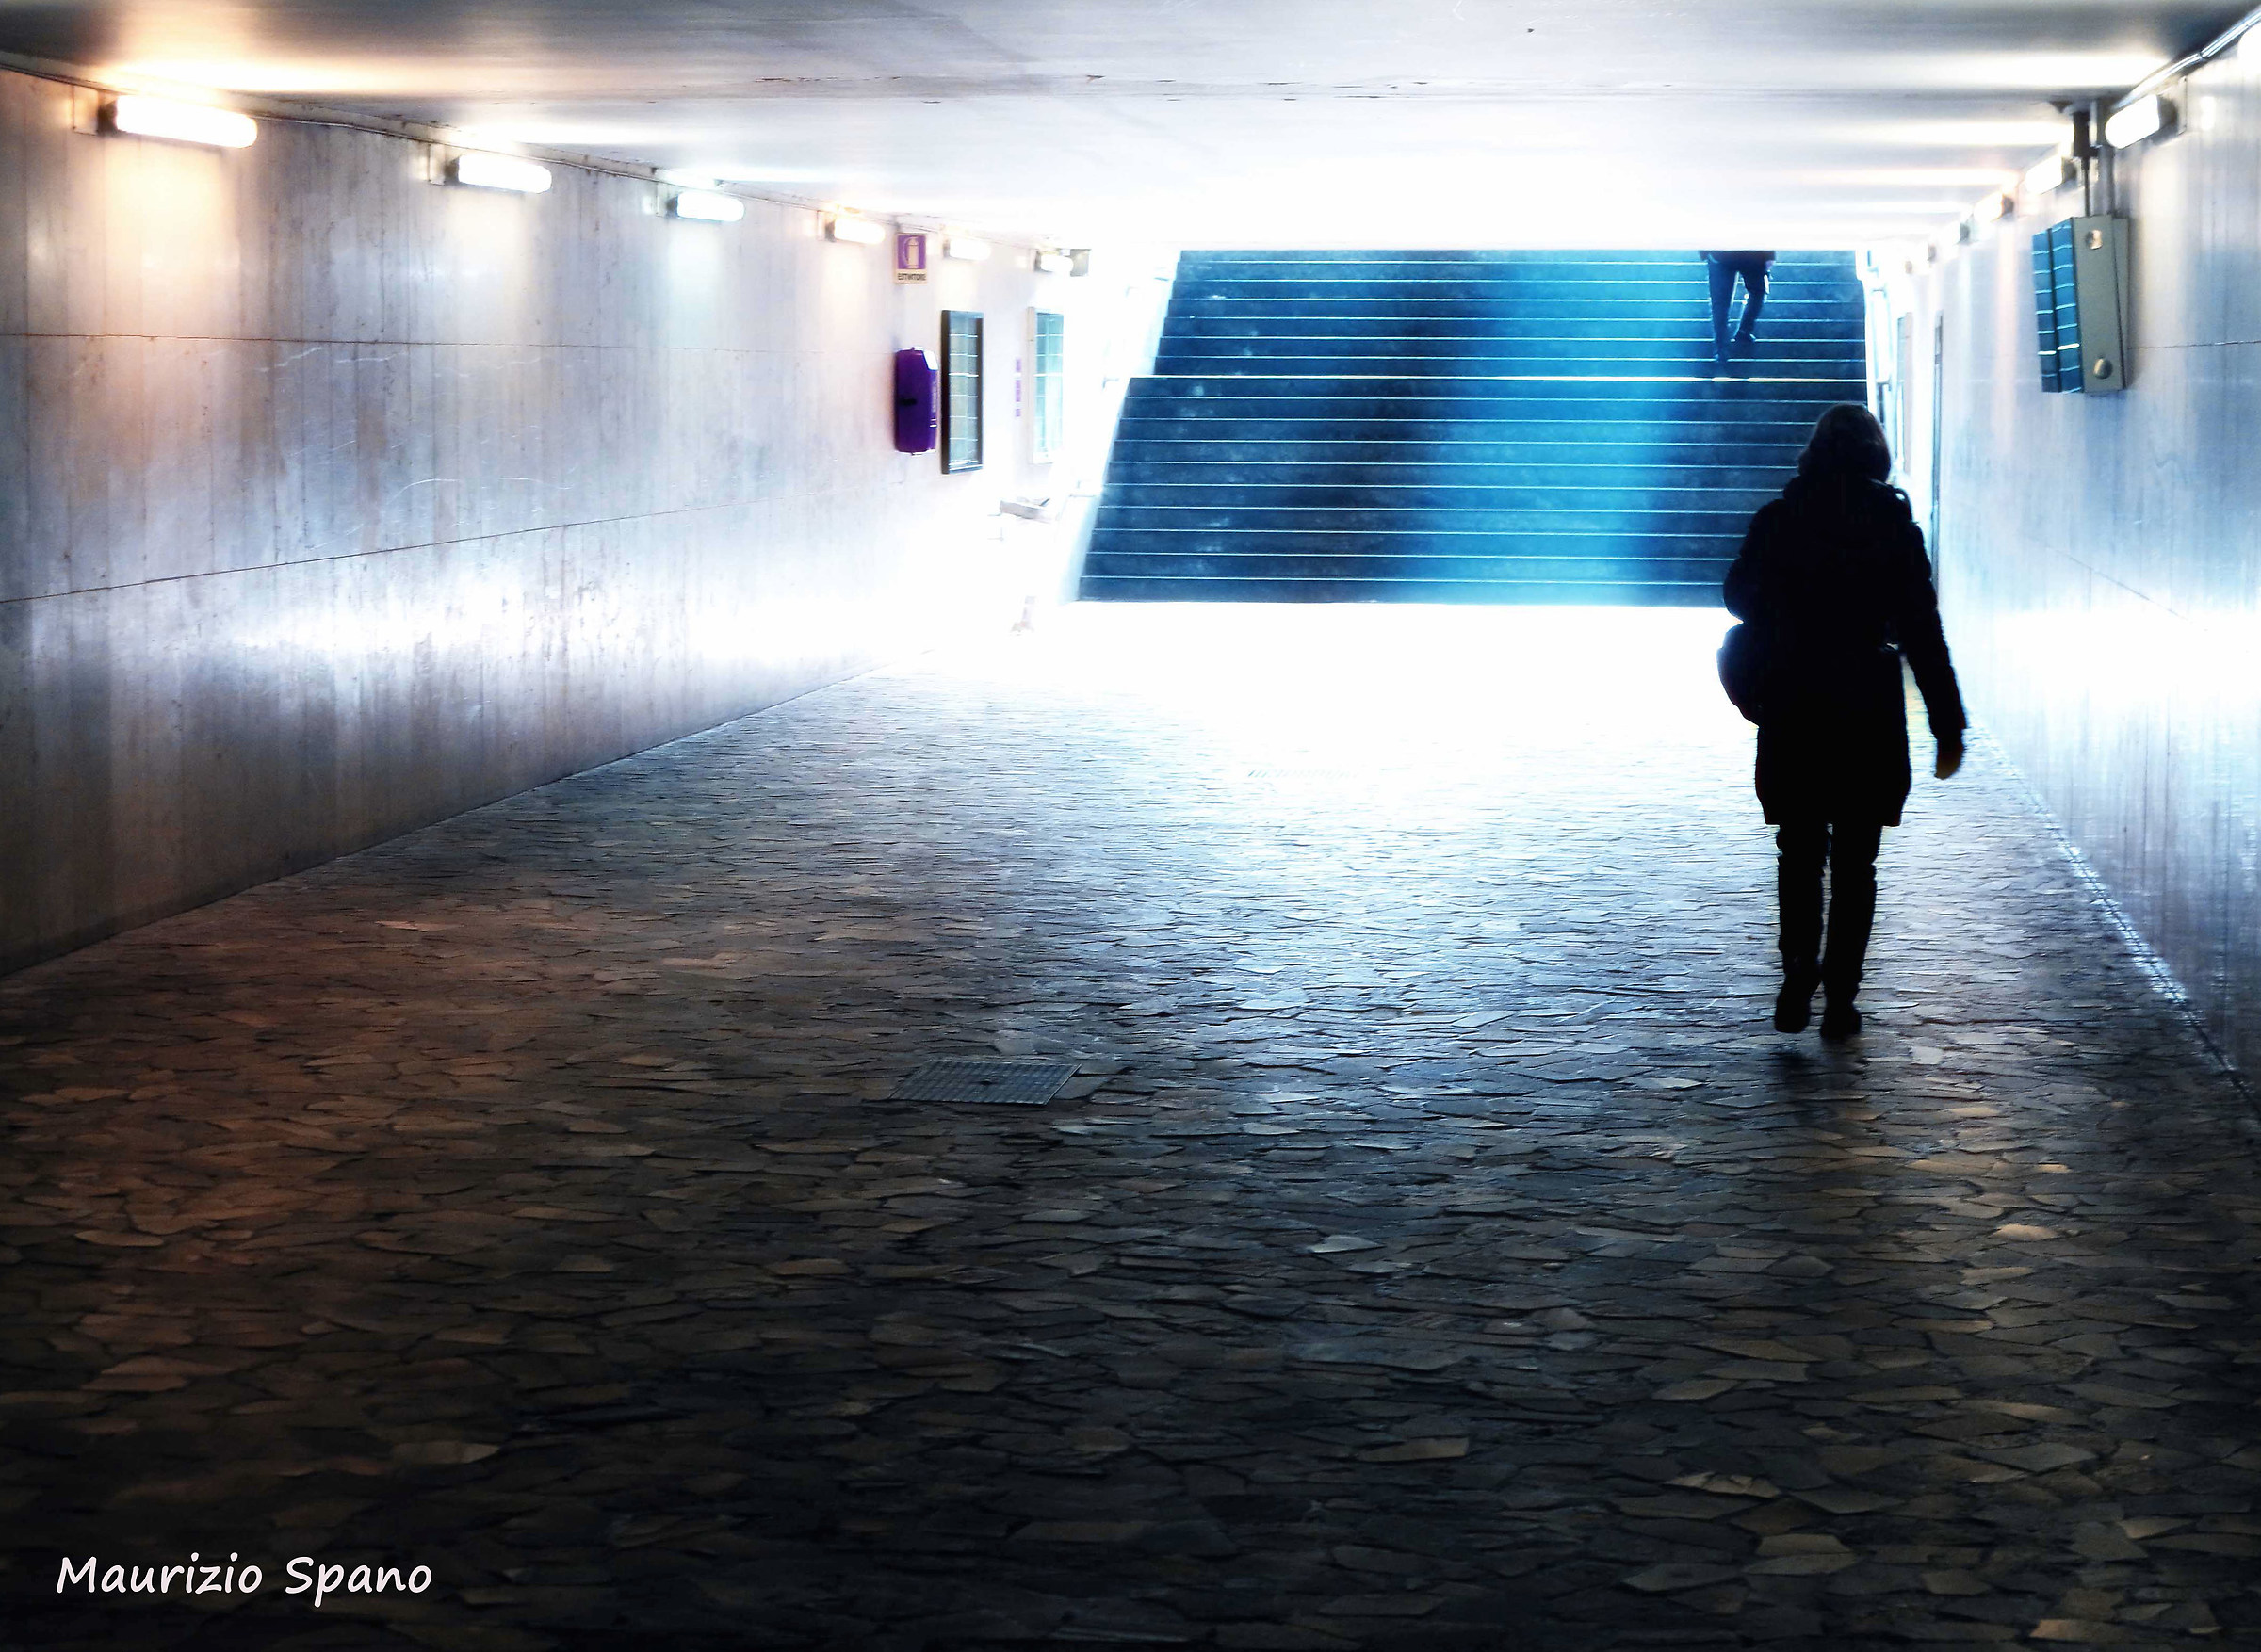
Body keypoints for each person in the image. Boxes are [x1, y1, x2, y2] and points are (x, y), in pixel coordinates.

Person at [1722, 404, 1965, 1039]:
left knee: (1799, 848)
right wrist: (1948, 721)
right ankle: (1841, 1001)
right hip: (1866, 704)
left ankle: (1799, 964)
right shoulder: (1892, 525)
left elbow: (1738, 597)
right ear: (1874, 456)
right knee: (1857, 861)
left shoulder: (1779, 518)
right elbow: (1921, 627)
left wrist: (1787, 608)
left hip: (1794, 700)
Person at [1699, 250, 1774, 363]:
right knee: (1757, 291)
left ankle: (1723, 347)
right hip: (1748, 252)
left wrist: (1705, 253)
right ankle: (1739, 334)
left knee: (1720, 302)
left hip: (1725, 252)